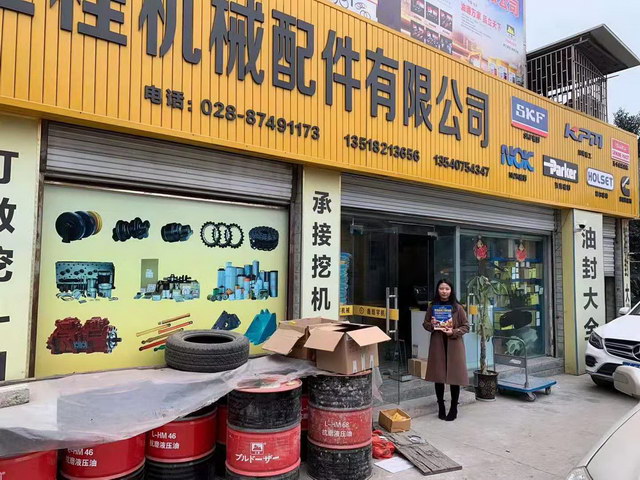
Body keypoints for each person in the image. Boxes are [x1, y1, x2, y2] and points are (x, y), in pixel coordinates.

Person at [423, 279, 470, 421]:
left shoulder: (458, 307)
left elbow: (466, 326)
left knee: (455, 377)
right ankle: (441, 406)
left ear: (451, 291)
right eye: (441, 288)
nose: (444, 291)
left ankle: (454, 407)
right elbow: (425, 324)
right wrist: (432, 325)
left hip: (454, 345)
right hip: (438, 344)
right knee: (438, 377)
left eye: (447, 289)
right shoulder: (432, 306)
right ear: (438, 290)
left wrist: (454, 331)